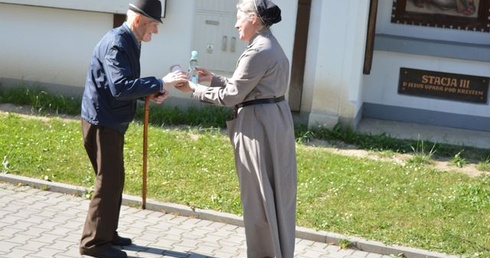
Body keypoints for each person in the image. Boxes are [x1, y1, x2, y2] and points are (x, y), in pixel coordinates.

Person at [175, 0, 297, 257]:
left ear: (254, 19)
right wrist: (214, 79)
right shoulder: (268, 45)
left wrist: (194, 89)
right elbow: (250, 86)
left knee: (259, 200)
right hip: (272, 124)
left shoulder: (258, 50)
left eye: (239, 17)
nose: (235, 23)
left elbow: (231, 96)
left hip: (259, 129)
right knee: (273, 196)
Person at [79, 0, 187, 257]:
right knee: (108, 183)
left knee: (114, 181)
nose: (156, 31)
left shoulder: (129, 40)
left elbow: (120, 85)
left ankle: (107, 233)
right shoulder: (118, 43)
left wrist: (150, 92)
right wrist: (161, 81)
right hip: (102, 123)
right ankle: (93, 244)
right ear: (138, 20)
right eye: (153, 25)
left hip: (109, 121)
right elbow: (120, 87)